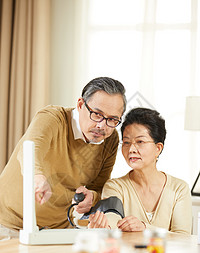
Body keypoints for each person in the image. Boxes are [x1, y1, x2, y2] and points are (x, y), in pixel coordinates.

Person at [0, 77, 126, 236]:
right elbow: (30, 149)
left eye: (112, 119)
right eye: (96, 114)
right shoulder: (52, 118)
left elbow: (99, 186)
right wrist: (37, 177)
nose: (102, 125)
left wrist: (92, 197)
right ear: (80, 105)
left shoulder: (110, 139)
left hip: (58, 229)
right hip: (10, 224)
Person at [88, 107, 192, 235]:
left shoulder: (179, 189)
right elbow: (112, 219)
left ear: (158, 148)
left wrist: (145, 228)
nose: (131, 149)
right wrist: (104, 226)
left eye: (140, 141)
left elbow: (184, 238)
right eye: (126, 142)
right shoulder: (115, 187)